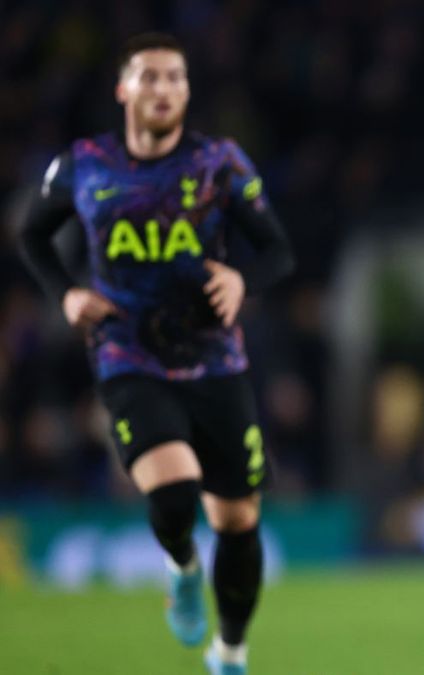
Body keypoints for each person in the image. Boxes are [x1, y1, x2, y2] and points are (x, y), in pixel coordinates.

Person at [17, 32, 293, 675]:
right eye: (149, 77)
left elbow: (277, 250)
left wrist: (241, 279)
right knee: (173, 494)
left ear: (187, 90)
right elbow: (32, 234)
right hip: (127, 351)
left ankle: (229, 649)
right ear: (124, 89)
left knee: (237, 520)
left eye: (175, 78)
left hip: (216, 359)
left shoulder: (220, 162)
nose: (163, 89)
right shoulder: (84, 164)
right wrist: (65, 294)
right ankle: (180, 566)